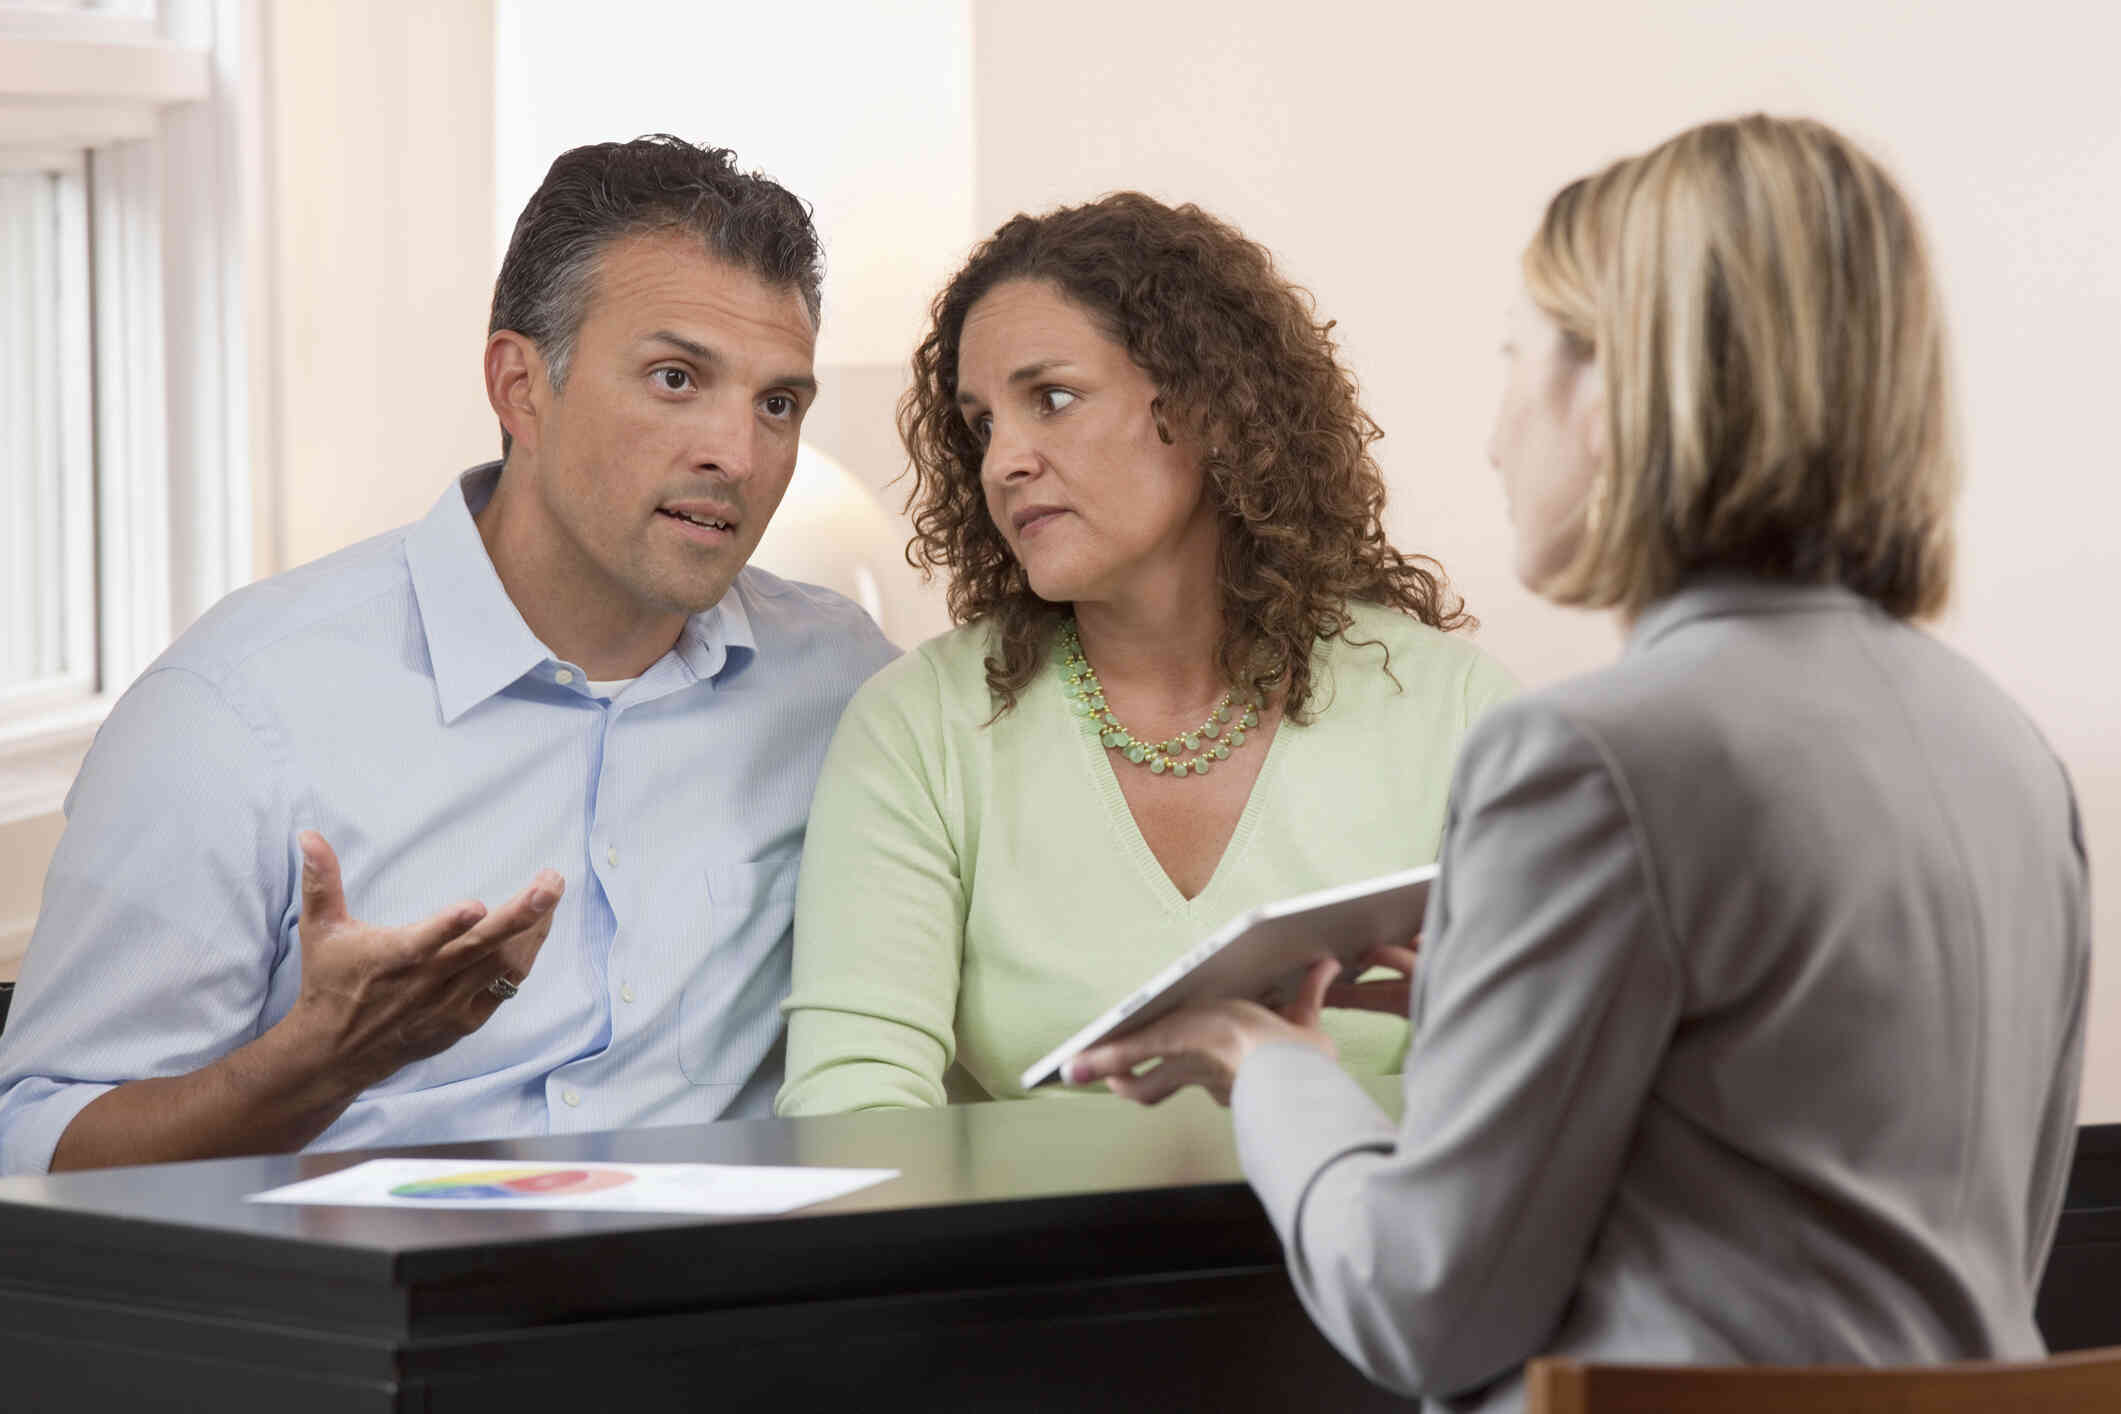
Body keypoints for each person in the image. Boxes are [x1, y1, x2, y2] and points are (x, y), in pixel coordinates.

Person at [1065, 115, 2090, 1409]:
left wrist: (1264, 1061)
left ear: (1618, 384)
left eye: (1514, 358)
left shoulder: (1588, 759)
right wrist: (1489, 1012)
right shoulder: (2000, 748)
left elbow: (1417, 1302)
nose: (1495, 437)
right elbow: (1890, 1240)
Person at [0, 136, 896, 1175]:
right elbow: (29, 1147)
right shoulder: (236, 710)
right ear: (520, 386)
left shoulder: (845, 685)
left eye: (777, 403)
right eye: (674, 377)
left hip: (727, 1316)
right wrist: (312, 1065)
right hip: (357, 1319)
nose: (736, 455)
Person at [777, 193, 1516, 1115]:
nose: (1004, 459)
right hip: (1028, 1258)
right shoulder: (918, 728)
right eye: (981, 424)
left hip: (1365, 1251)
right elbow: (851, 1101)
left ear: (1209, 405)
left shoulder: (1454, 712)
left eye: (1050, 399)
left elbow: (1534, 1090)